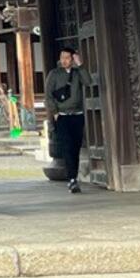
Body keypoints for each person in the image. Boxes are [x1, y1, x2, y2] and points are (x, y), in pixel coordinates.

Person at [47, 47, 87, 194]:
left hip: (77, 114)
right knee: (67, 147)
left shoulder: (77, 73)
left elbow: (88, 82)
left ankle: (73, 177)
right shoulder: (54, 74)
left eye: (67, 58)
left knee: (76, 147)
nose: (64, 60)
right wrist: (55, 112)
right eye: (62, 57)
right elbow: (48, 95)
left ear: (72, 59)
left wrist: (80, 65)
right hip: (62, 115)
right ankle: (72, 179)